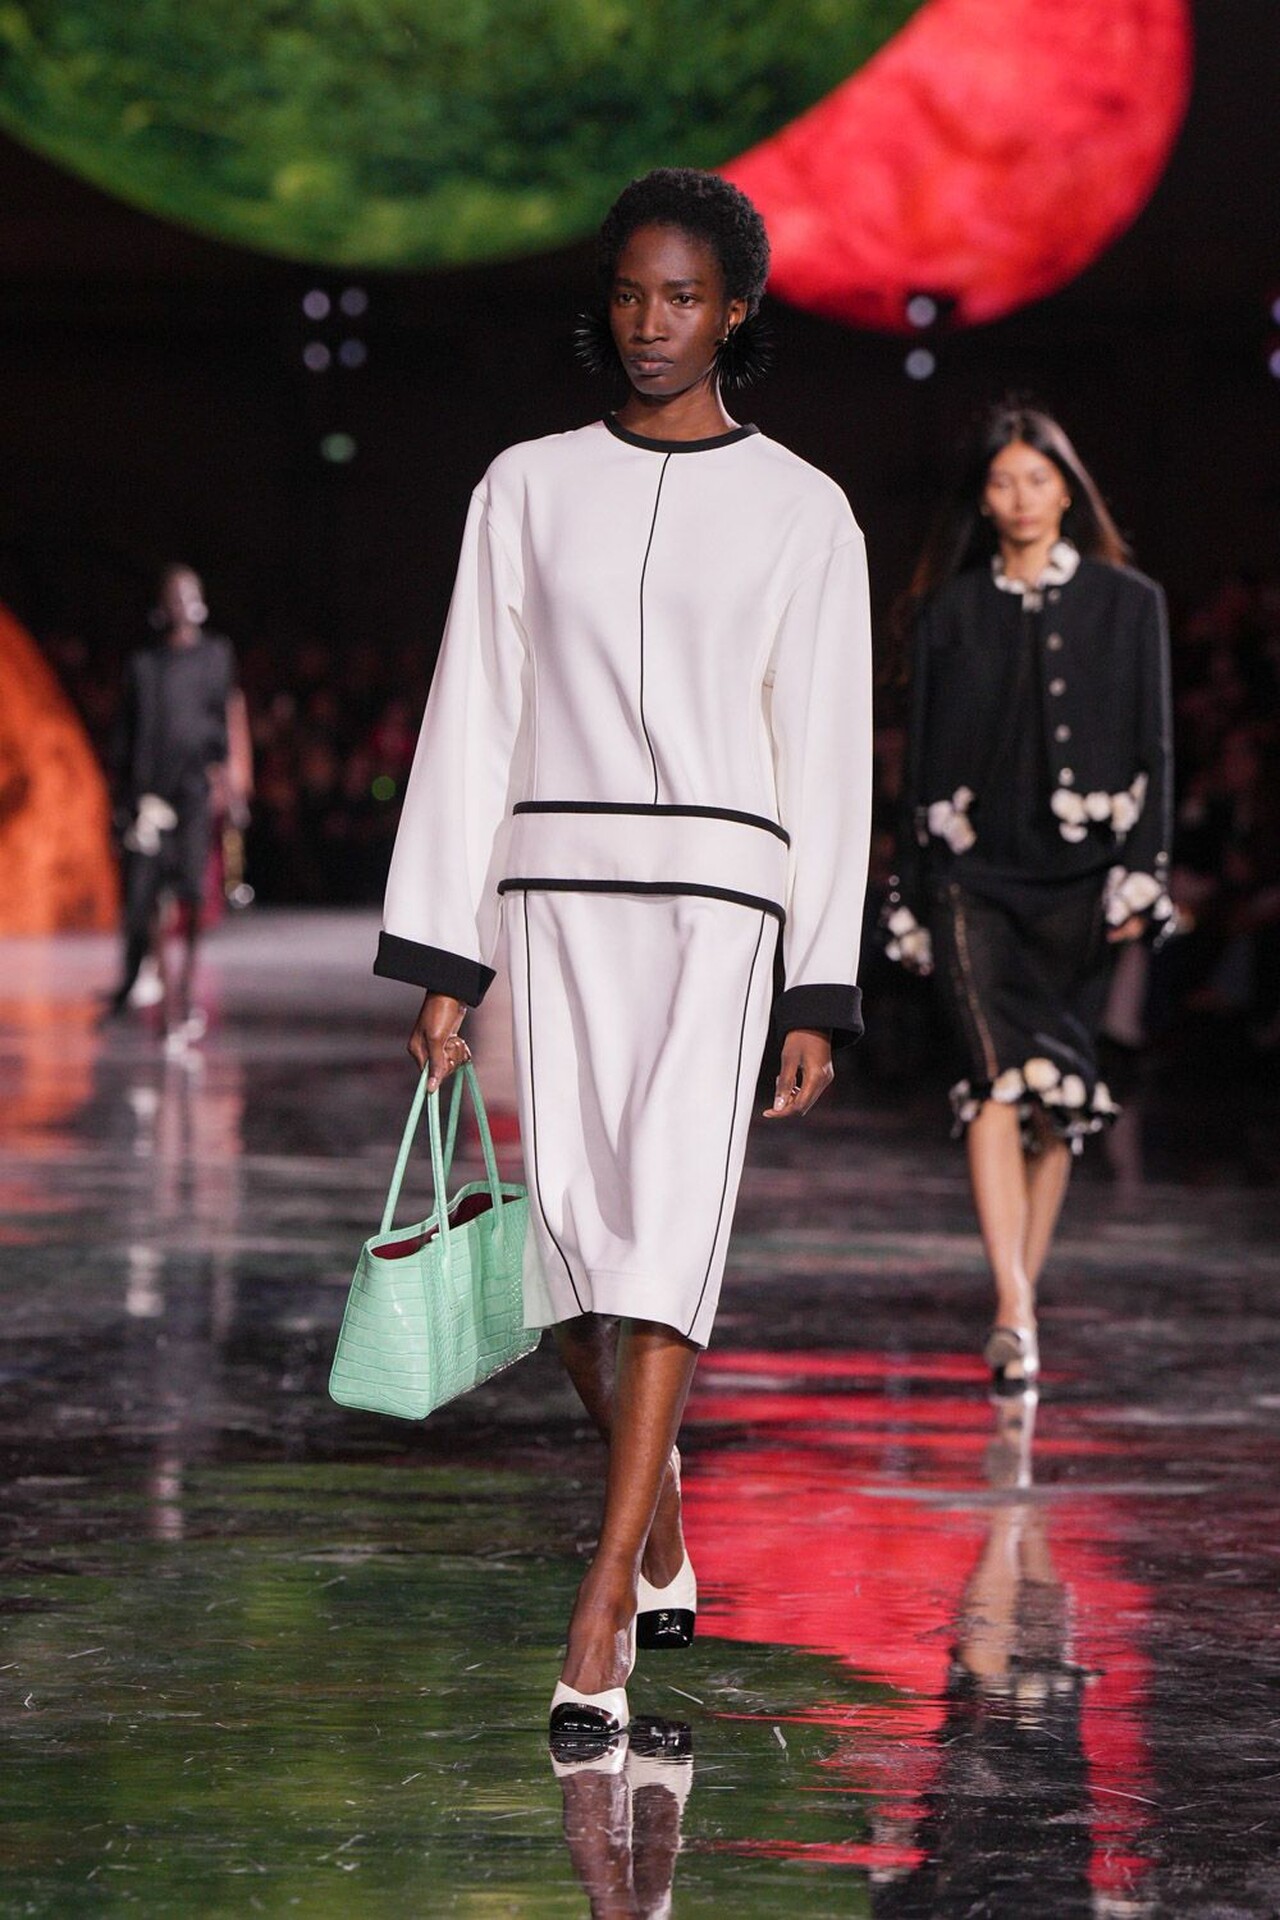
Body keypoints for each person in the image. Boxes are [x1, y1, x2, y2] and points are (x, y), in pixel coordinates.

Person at [373, 168, 873, 1743]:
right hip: (555, 906)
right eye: (632, 294)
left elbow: (827, 749)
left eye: (685, 298)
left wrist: (818, 979)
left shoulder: (804, 510)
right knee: (567, 1254)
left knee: (663, 1238)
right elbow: (476, 711)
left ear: (737, 312)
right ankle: (657, 1520)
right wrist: (447, 953)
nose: (653, 324)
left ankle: (600, 1613)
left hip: (721, 914)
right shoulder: (525, 487)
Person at [885, 404, 1173, 1391]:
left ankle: (1020, 1300)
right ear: (982, 497)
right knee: (993, 1083)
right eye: (1002, 481)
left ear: (1066, 490)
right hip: (970, 880)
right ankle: (1012, 1305)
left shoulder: (1128, 604)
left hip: (1082, 880)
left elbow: (1155, 746)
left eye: (1036, 480)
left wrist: (1144, 869)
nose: (1019, 498)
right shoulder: (947, 611)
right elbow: (919, 762)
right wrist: (909, 887)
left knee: (1057, 1098)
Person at [104, 564, 242, 1046]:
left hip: (193, 791)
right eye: (174, 596)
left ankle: (184, 989)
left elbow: (223, 720)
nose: (183, 604)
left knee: (193, 892)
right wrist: (125, 798)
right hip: (150, 795)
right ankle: (163, 998)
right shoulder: (145, 665)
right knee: (148, 896)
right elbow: (128, 732)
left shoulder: (216, 656)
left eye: (189, 594)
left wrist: (229, 785)